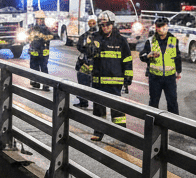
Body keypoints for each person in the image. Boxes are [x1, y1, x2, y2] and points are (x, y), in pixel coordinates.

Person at [83, 9, 133, 141]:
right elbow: (86, 54)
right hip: (98, 81)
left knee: (117, 109)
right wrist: (89, 47)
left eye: (107, 25)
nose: (105, 27)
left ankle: (121, 134)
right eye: (102, 25)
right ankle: (98, 133)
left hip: (115, 81)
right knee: (99, 109)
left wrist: (128, 78)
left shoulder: (121, 41)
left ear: (113, 24)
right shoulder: (94, 37)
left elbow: (127, 60)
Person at [139, 15, 181, 114]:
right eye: (159, 27)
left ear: (167, 27)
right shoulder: (150, 41)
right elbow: (142, 55)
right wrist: (148, 56)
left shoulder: (174, 40)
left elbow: (177, 57)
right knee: (153, 103)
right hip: (155, 78)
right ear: (156, 27)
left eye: (164, 27)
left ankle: (175, 124)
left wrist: (179, 72)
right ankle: (152, 124)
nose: (161, 29)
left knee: (172, 102)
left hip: (170, 78)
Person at [74, 15, 98, 107]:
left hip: (96, 64)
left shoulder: (100, 36)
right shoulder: (84, 36)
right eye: (90, 23)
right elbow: (79, 46)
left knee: (95, 84)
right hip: (85, 63)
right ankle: (83, 101)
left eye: (93, 23)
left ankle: (98, 106)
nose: (91, 24)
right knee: (82, 80)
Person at [27, 11, 55, 89]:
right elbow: (28, 37)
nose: (39, 21)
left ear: (43, 20)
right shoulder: (32, 28)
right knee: (33, 67)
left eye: (41, 19)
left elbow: (52, 36)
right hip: (34, 51)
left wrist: (42, 36)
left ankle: (46, 84)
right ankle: (35, 82)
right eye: (38, 19)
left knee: (43, 68)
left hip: (43, 52)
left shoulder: (46, 29)